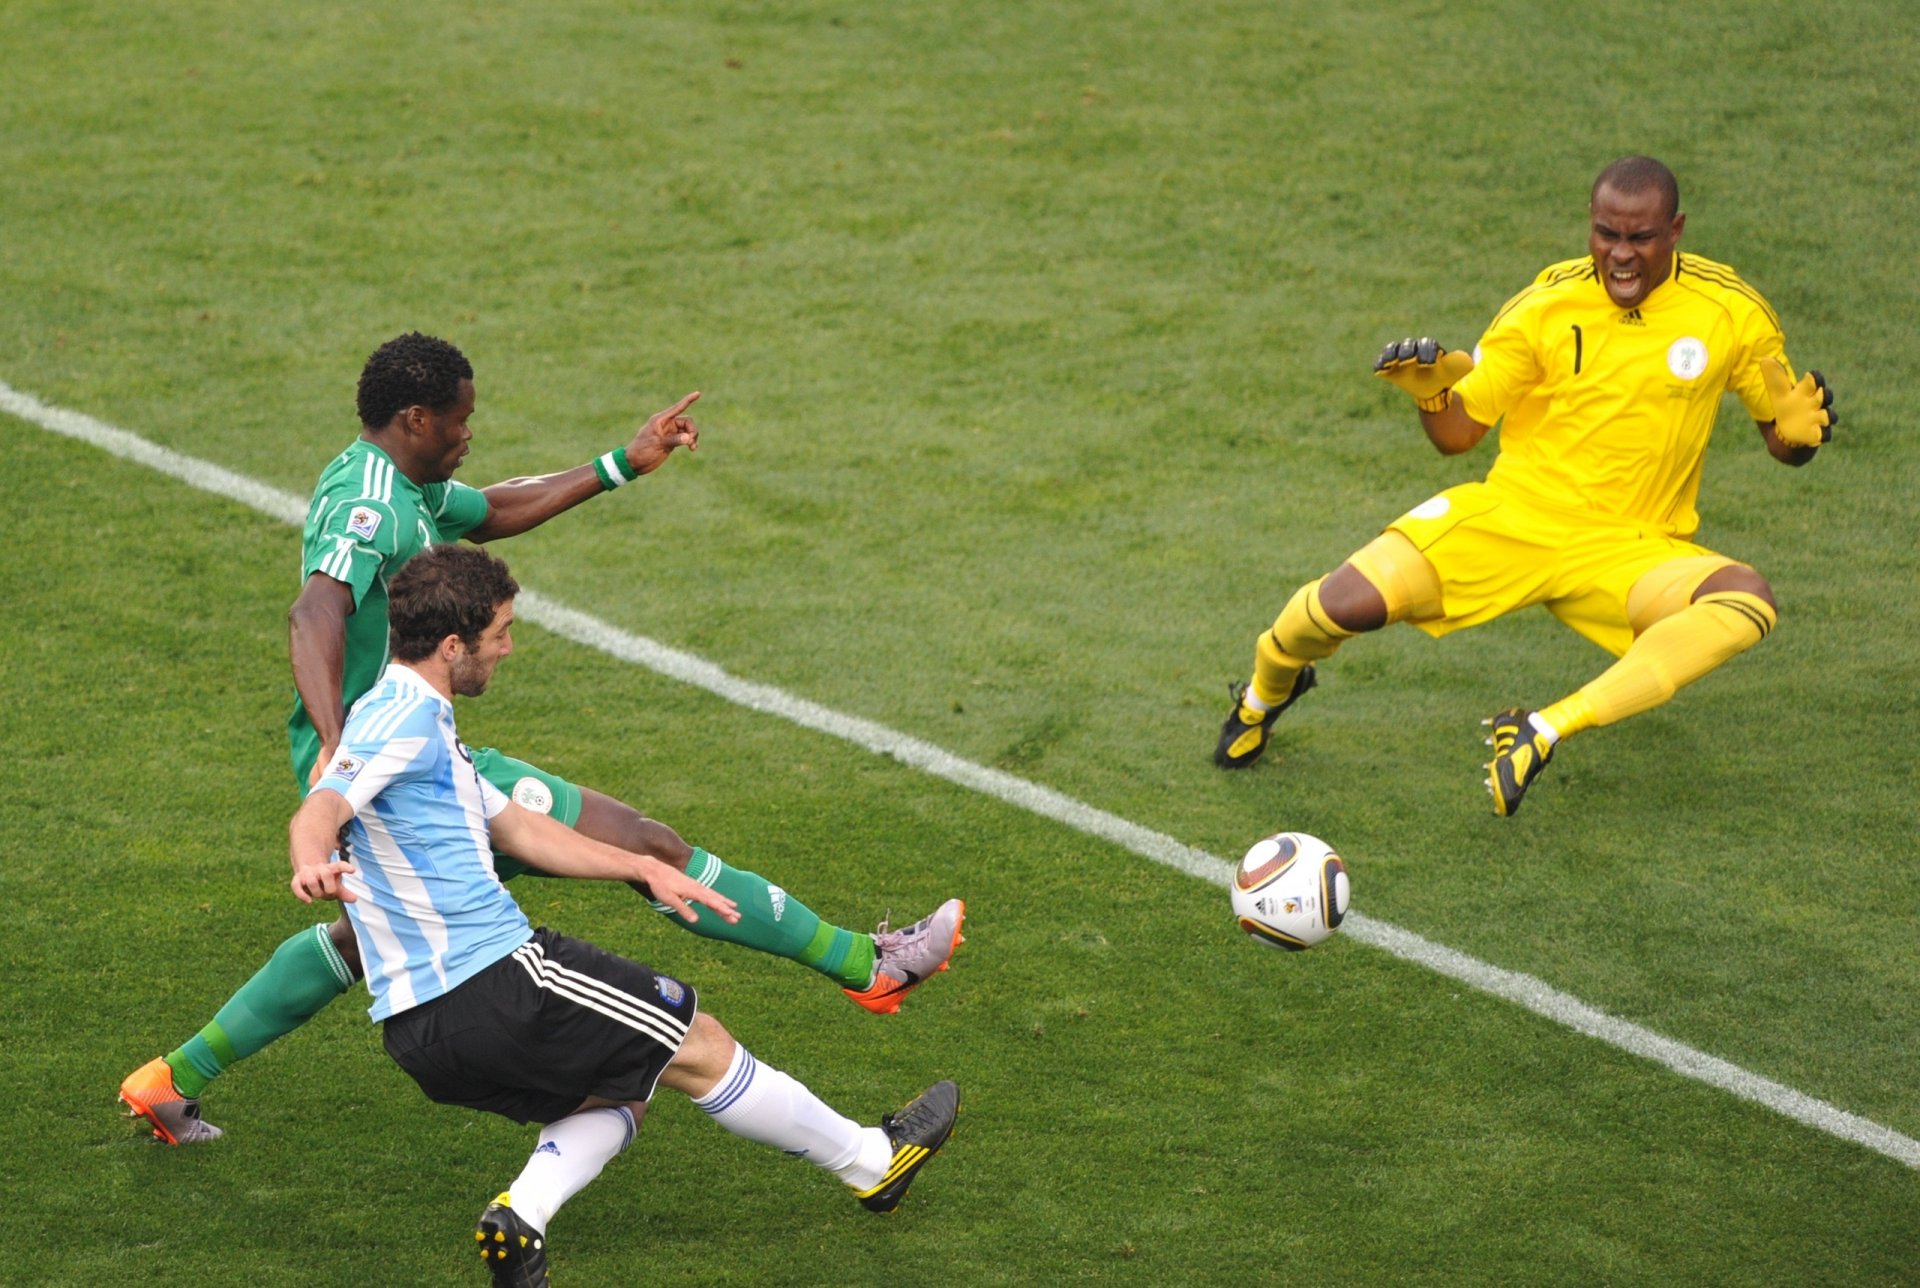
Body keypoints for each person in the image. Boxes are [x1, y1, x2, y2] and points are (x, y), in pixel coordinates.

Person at [121, 332, 964, 1145]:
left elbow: (491, 509)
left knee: (364, 938)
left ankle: (171, 1081)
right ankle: (869, 968)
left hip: (396, 761)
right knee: (643, 842)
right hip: (383, 768)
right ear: (416, 417)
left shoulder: (401, 485)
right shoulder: (368, 503)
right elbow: (313, 613)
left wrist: (620, 466)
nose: (467, 432)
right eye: (458, 418)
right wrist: (343, 765)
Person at [286, 544, 959, 1287]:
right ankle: (872, 1161)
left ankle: (522, 1219)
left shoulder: (421, 721)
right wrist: (311, 859)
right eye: (500, 633)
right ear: (452, 647)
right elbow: (323, 806)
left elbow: (518, 829)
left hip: (418, 1034)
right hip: (499, 983)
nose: (509, 647)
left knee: (624, 1093)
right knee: (698, 1042)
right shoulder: (401, 719)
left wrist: (640, 866)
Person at [1215, 156, 1838, 816]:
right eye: (1606, 234)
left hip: (1633, 547)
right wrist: (1432, 398)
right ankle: (1263, 695)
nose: (1620, 256)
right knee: (1340, 604)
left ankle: (1543, 729)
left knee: (1746, 602)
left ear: (1676, 229)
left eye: (1640, 238)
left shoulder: (1729, 310)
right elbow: (1460, 434)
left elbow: (1781, 433)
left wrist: (1795, 438)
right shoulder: (1545, 304)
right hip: (1517, 515)